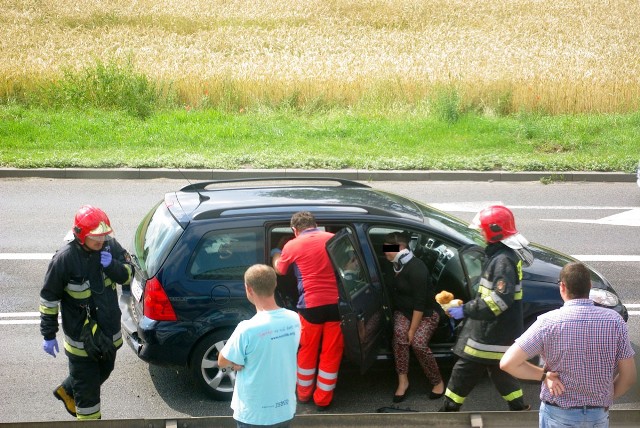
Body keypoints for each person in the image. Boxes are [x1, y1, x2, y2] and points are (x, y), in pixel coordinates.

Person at [500, 261, 636, 428]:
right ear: (590, 286)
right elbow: (628, 377)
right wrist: (603, 400)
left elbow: (508, 363)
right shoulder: (615, 321)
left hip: (558, 416)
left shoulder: (547, 323)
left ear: (562, 287)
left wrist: (543, 376)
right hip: (598, 416)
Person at [39, 205, 133, 420]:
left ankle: (68, 389)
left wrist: (112, 267)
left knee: (106, 369)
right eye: (95, 237)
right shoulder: (64, 260)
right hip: (82, 341)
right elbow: (49, 300)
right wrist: (48, 335)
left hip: (108, 333)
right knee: (88, 399)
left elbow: (129, 275)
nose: (101, 241)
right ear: (81, 235)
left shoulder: (110, 246)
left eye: (103, 236)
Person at [440, 205, 533, 412]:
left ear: (494, 231)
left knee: (463, 372)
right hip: (499, 333)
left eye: (483, 229)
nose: (481, 233)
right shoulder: (502, 256)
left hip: (491, 334)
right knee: (501, 372)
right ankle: (519, 409)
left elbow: (498, 301)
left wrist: (465, 309)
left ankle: (447, 412)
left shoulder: (502, 261)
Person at [271, 211, 343, 411]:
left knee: (307, 350)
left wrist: (275, 252)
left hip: (310, 307)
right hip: (336, 306)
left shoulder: (292, 245)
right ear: (316, 224)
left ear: (294, 230)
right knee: (331, 352)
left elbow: (280, 270)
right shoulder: (332, 239)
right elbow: (348, 266)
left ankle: (303, 394)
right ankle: (323, 399)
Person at [218, 264, 302, 428]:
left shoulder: (247, 328)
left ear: (248, 289)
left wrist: (236, 363)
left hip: (254, 414)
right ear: (275, 283)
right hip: (285, 409)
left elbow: (222, 360)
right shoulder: (294, 319)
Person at [383, 232, 445, 402]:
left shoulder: (417, 268)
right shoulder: (393, 265)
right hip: (403, 312)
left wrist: (412, 329)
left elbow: (420, 303)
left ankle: (437, 381)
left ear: (401, 248)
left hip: (425, 314)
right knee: (399, 337)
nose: (385, 252)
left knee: (417, 343)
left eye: (388, 249)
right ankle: (403, 381)